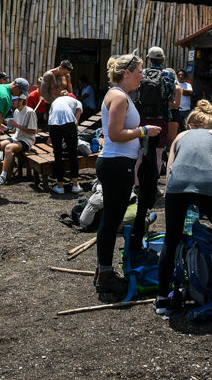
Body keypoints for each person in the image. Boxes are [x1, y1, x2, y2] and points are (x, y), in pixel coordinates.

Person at [154, 100, 212, 315]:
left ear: (189, 125)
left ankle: (161, 299)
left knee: (171, 239)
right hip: (209, 187)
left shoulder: (180, 137)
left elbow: (169, 177)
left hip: (176, 188)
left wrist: (189, 197)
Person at [93, 52, 161, 294]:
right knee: (112, 219)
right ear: (127, 73)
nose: (143, 75)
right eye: (140, 71)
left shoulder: (121, 96)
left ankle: (104, 270)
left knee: (112, 218)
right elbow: (114, 134)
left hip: (118, 163)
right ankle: (106, 275)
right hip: (115, 164)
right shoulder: (119, 98)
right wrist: (144, 130)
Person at [136, 46, 179, 174]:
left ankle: (137, 185)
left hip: (143, 116)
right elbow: (172, 99)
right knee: (159, 152)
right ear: (163, 59)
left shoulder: (142, 73)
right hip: (161, 117)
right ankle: (154, 185)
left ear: (149, 59)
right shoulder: (169, 74)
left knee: (140, 152)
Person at [0, 96, 37, 186]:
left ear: (21, 101)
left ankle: (3, 176)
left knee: (8, 148)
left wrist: (16, 125)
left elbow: (33, 131)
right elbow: (15, 129)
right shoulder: (16, 111)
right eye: (12, 99)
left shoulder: (30, 112)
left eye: (15, 100)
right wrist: (5, 128)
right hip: (16, 137)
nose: (12, 101)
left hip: (27, 140)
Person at [47, 91, 83, 194]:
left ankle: (60, 186)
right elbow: (76, 122)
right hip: (69, 124)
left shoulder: (56, 101)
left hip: (53, 124)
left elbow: (49, 118)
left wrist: (51, 136)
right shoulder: (77, 102)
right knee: (73, 154)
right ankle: (75, 186)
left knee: (57, 155)